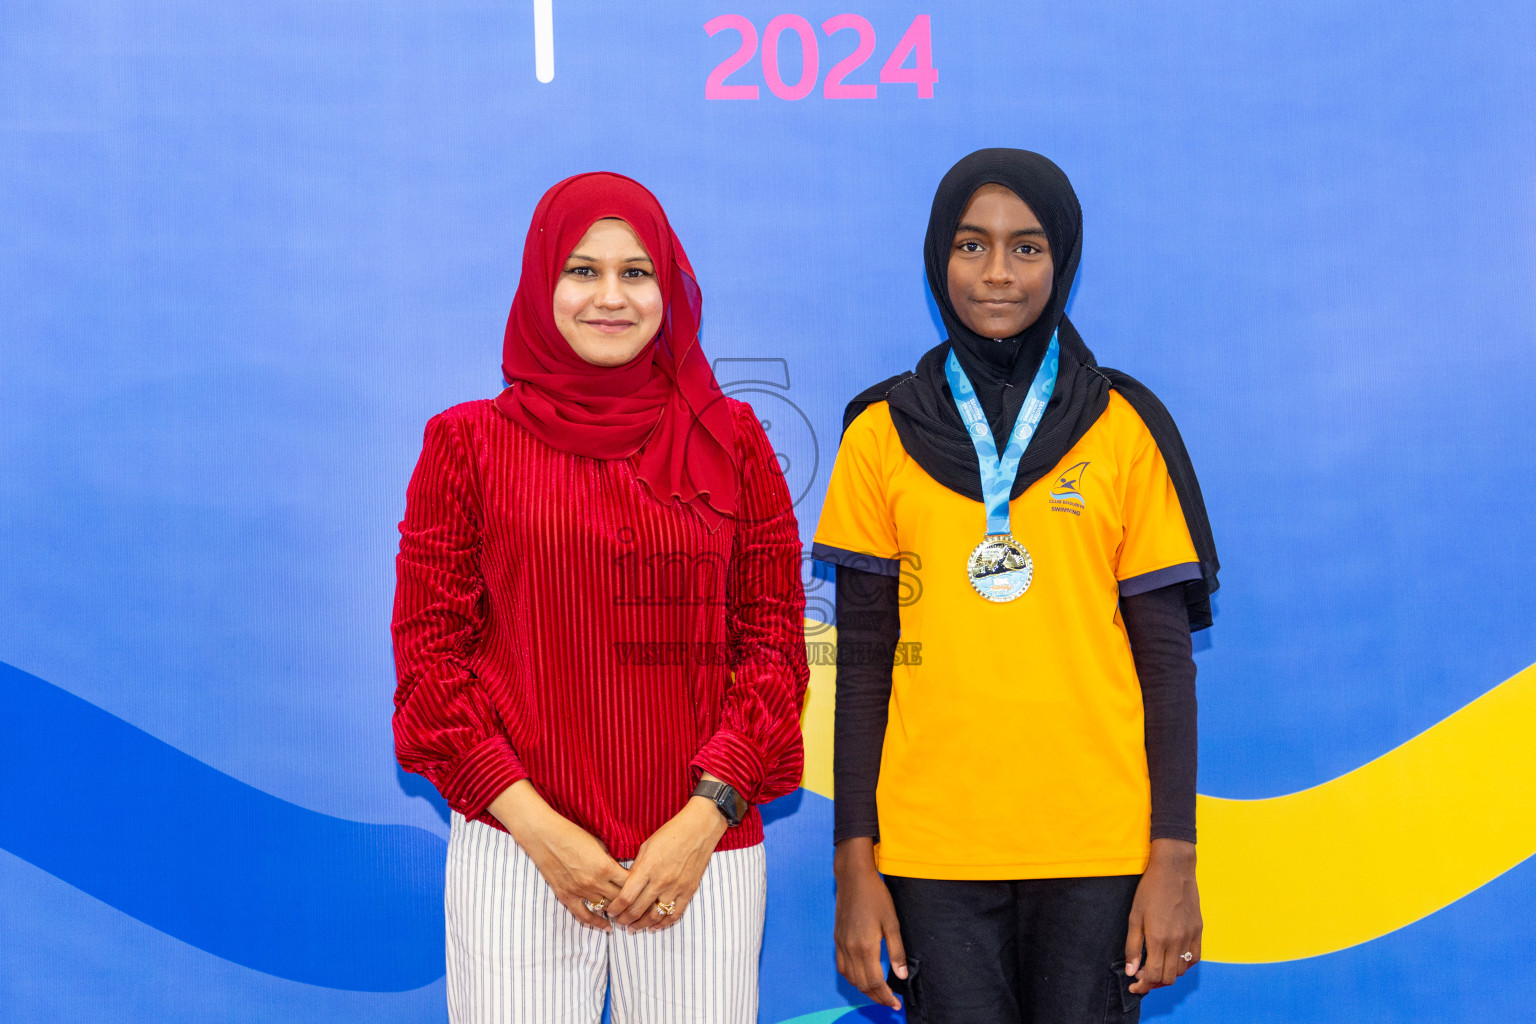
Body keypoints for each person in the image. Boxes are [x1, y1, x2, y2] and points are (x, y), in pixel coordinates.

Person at [813, 149, 1220, 1023]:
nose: (997, 273)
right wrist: (855, 865)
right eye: (971, 245)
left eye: (1026, 248)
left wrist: (1173, 859)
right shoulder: (878, 433)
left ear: (1062, 259)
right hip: (930, 856)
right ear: (937, 257)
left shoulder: (1121, 427)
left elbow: (1164, 664)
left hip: (1098, 853)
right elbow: (865, 671)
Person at [391, 172, 808, 1024]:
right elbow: (431, 664)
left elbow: (773, 647)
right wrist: (541, 832)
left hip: (700, 850)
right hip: (516, 845)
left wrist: (703, 819)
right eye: (582, 271)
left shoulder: (732, 441)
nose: (610, 297)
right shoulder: (466, 445)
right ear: (542, 286)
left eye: (636, 272)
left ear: (670, 289)